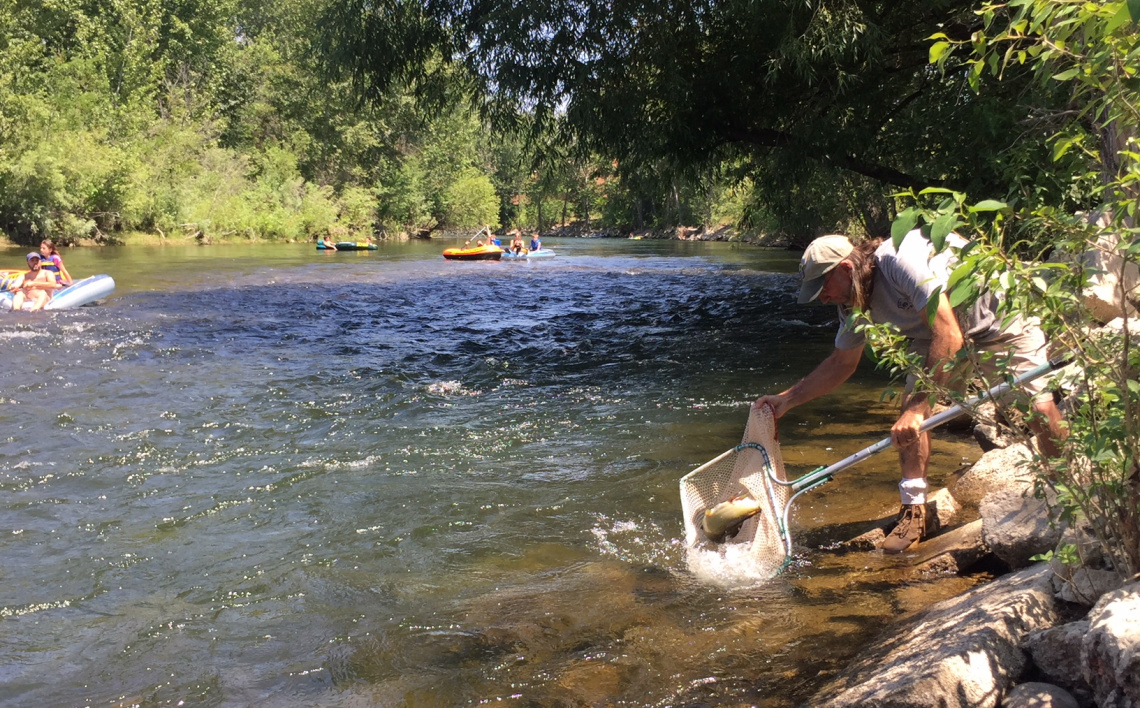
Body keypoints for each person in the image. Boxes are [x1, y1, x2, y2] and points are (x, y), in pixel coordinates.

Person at [754, 231, 1066, 553]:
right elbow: (841, 363)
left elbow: (949, 332)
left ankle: (1068, 490)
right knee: (909, 419)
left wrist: (918, 409)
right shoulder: (851, 303)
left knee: (1038, 409)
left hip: (1000, 322)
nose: (822, 298)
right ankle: (915, 510)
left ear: (846, 269)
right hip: (934, 333)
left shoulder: (899, 262)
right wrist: (786, 400)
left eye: (823, 287)